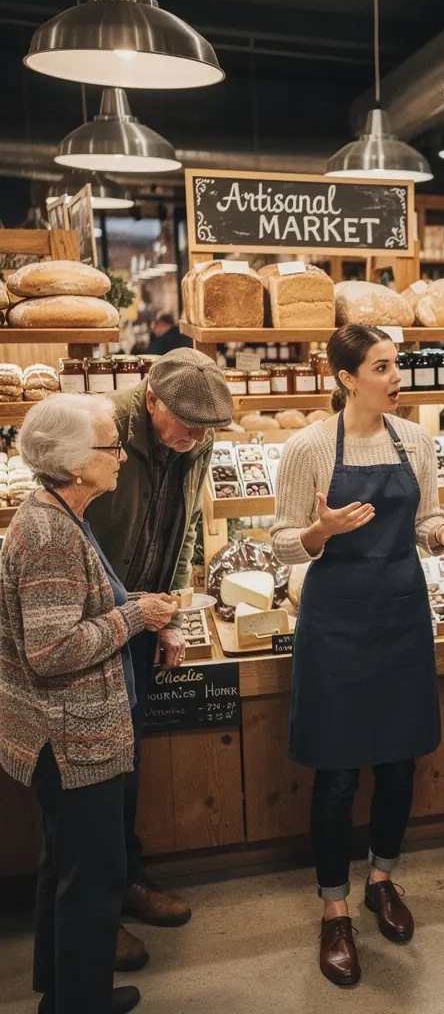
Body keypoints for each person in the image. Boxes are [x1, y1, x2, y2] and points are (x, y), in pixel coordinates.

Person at [271, 324, 444, 988]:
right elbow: (279, 541)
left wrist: (442, 534)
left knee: (397, 763)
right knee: (336, 774)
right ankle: (335, 908)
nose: (397, 377)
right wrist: (317, 531)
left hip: (400, 617)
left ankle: (381, 880)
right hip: (334, 623)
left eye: (398, 365)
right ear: (346, 379)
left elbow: (423, 521)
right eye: (383, 366)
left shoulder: (416, 441)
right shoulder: (307, 448)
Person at [0, 394, 179, 1014]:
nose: (122, 457)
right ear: (76, 464)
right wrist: (135, 616)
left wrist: (140, 613)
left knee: (64, 869)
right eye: (110, 446)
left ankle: (63, 995)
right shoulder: (50, 532)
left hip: (66, 735)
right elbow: (51, 650)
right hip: (73, 739)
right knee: (91, 880)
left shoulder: (56, 512)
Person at [87, 347, 234, 971]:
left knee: (127, 761)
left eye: (206, 428)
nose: (196, 438)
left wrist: (170, 609)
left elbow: (187, 528)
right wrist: (121, 613)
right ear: (151, 401)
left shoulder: (192, 443)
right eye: (187, 424)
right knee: (90, 774)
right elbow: (76, 534)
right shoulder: (101, 432)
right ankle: (91, 917)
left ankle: (125, 883)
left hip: (144, 620)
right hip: (94, 623)